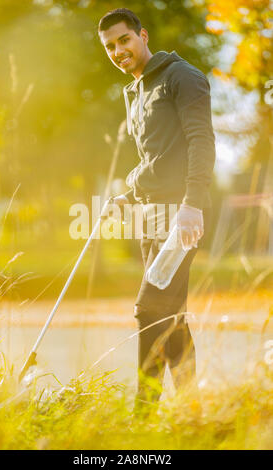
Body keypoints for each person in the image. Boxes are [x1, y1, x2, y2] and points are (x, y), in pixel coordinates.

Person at [98, 8, 215, 407]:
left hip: (182, 215)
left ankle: (142, 415)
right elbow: (157, 159)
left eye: (124, 40)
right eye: (110, 47)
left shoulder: (181, 76)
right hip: (151, 216)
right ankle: (193, 413)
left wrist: (192, 204)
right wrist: (126, 195)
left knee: (149, 309)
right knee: (169, 318)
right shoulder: (135, 91)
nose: (118, 51)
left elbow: (201, 141)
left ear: (142, 36)